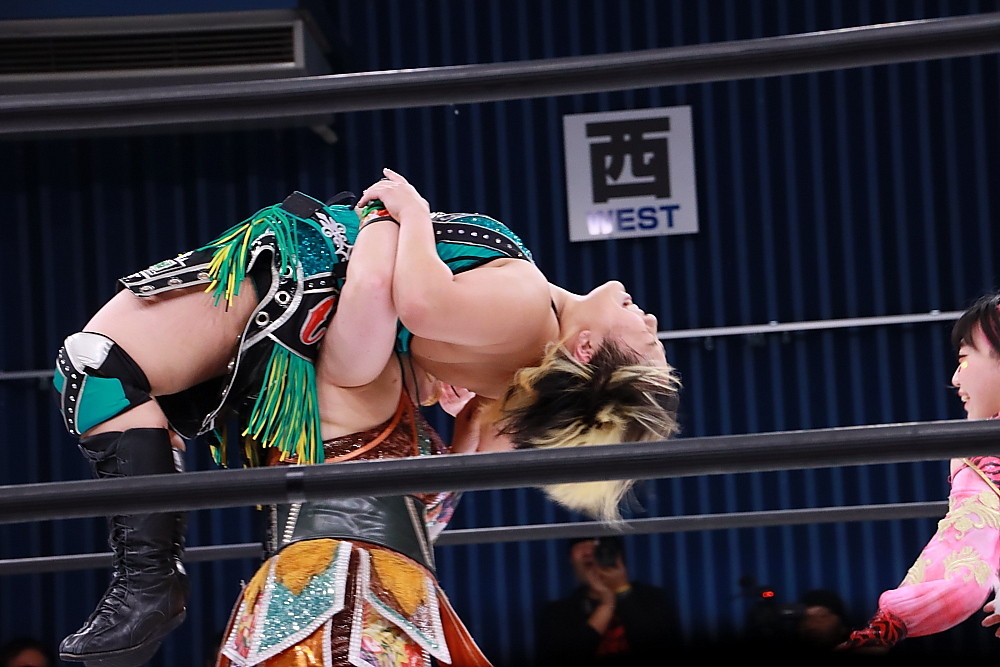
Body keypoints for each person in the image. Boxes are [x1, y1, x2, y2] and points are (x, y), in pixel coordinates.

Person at [54, 170, 680, 666]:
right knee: (102, 371)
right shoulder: (517, 362)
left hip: (319, 281)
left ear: (587, 350)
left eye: (647, 341)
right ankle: (148, 579)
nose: (652, 319)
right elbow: (465, 439)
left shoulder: (523, 302)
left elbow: (420, 303)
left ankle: (149, 580)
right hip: (335, 324)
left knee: (95, 366)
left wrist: (398, 217)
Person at [216, 197, 490, 667]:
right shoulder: (363, 369)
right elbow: (373, 285)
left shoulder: (403, 407)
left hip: (388, 594)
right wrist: (391, 216)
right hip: (339, 591)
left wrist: (477, 409)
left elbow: (433, 513)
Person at [840, 293, 1000, 651]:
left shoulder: (982, 451)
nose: (955, 379)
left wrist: (885, 628)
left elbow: (962, 567)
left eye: (963, 360)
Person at [535, 536, 681, 665]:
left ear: (618, 556)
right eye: (581, 546)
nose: (589, 552)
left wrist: (622, 590)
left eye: (598, 548)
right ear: (571, 559)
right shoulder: (557, 613)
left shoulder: (652, 599)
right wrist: (606, 606)